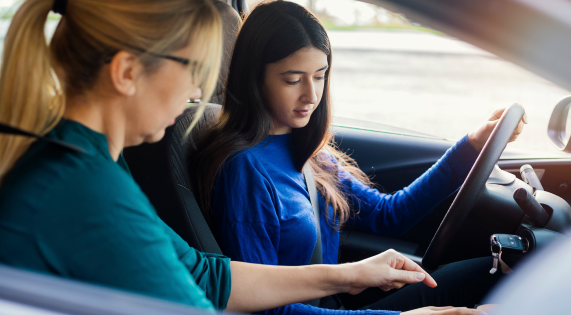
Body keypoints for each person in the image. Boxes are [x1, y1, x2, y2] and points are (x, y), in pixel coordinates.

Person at [0, 0, 446, 313]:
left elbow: (204, 275)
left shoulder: (88, 162)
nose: (198, 92)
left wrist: (349, 276)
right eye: (193, 69)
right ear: (128, 72)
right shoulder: (85, 190)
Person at [194, 1, 527, 314]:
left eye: (320, 76)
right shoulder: (245, 171)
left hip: (337, 305)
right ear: (255, 78)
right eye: (292, 79)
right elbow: (264, 309)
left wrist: (473, 144)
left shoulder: (309, 152)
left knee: (499, 269)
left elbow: (389, 214)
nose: (311, 95)